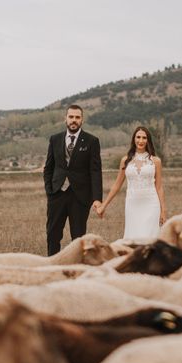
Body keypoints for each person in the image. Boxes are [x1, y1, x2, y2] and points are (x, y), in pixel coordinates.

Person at [43, 104, 103, 255]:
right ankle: (53, 265)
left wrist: (97, 198)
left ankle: (77, 267)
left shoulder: (92, 141)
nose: (74, 120)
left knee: (78, 238)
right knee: (53, 235)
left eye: (77, 117)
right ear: (66, 119)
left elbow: (95, 171)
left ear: (82, 120)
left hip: (80, 197)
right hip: (57, 194)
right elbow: (48, 168)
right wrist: (49, 190)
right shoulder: (55, 139)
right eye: (71, 117)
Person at [97, 126, 167, 239]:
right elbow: (117, 185)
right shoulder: (125, 160)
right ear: (134, 139)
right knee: (133, 240)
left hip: (151, 204)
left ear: (148, 140)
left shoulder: (156, 161)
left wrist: (163, 210)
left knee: (150, 239)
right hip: (132, 205)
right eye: (138, 137)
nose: (141, 140)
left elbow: (159, 187)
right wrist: (104, 205)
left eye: (144, 138)